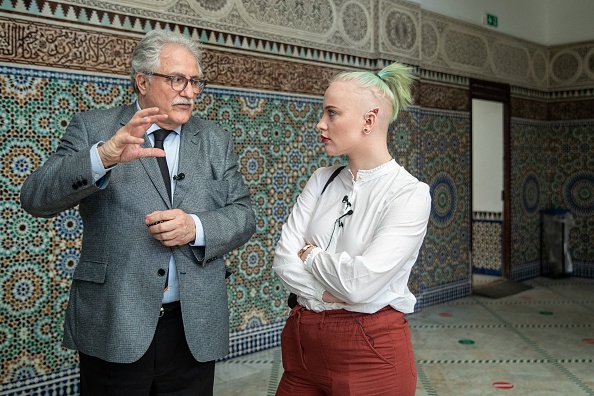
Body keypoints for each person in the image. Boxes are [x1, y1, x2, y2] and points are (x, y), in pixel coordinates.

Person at [20, 30, 256, 395]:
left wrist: (196, 227)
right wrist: (103, 157)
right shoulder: (94, 128)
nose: (190, 92)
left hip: (193, 325)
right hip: (115, 320)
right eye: (177, 79)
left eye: (195, 82)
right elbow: (35, 198)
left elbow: (243, 214)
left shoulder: (215, 140)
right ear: (142, 80)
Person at [272, 62, 431, 395]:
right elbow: (283, 260)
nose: (320, 124)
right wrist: (325, 292)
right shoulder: (322, 179)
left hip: (370, 355)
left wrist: (311, 255)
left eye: (332, 114)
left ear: (368, 121)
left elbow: (359, 284)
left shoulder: (409, 194)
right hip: (302, 348)